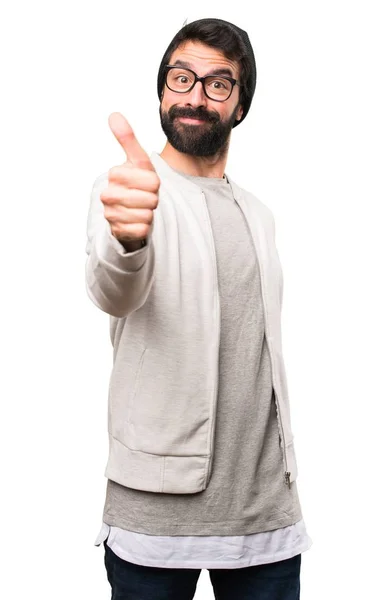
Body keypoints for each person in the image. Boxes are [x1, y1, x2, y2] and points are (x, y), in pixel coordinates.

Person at [85, 17, 312, 600]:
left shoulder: (258, 213)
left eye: (218, 84)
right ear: (162, 91)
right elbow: (115, 290)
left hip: (264, 514)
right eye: (181, 77)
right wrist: (129, 241)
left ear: (239, 106)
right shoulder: (130, 189)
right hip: (155, 515)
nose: (194, 95)